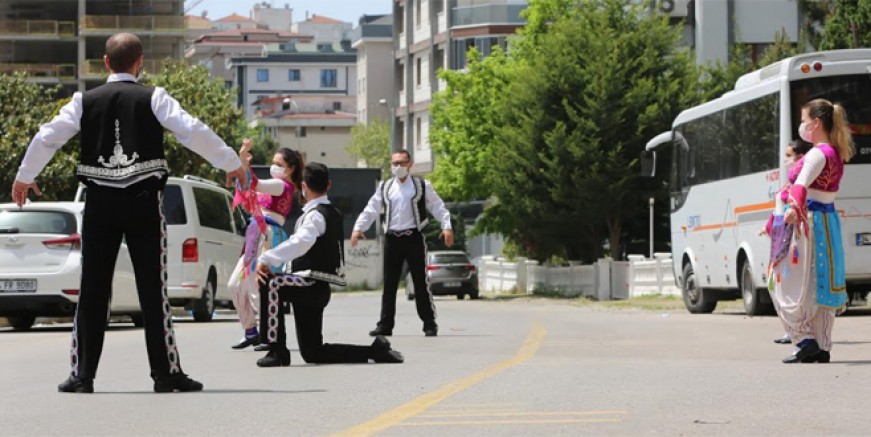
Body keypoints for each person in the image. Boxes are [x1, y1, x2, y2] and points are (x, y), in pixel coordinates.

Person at [10, 33, 247, 393]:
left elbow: (48, 136)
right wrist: (229, 163)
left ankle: (82, 375)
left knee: (92, 289)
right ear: (140, 62)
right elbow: (191, 131)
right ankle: (165, 374)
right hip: (143, 201)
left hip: (100, 203)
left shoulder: (83, 100)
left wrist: (25, 176)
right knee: (153, 289)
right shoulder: (155, 97)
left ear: (106, 63)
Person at [254, 162, 403, 367]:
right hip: (318, 288)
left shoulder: (315, 215)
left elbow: (301, 242)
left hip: (309, 284)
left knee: (270, 283)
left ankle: (275, 350)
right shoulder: (331, 212)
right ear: (329, 185)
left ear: (304, 187)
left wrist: (266, 258)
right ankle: (374, 351)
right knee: (313, 353)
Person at [770, 98, 853, 364]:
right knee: (821, 284)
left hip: (808, 223)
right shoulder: (835, 153)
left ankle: (804, 341)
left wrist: (793, 208)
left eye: (805, 120)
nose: (802, 126)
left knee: (783, 282)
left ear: (816, 123)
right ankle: (821, 344)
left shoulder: (818, 153)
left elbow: (800, 186)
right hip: (827, 223)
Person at [351, 150, 453, 337]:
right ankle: (385, 324)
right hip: (392, 239)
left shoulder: (422, 185)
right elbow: (371, 209)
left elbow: (437, 206)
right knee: (389, 284)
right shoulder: (385, 187)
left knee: (420, 283)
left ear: (410, 164)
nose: (398, 167)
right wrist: (358, 228)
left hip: (413, 238)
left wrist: (446, 226)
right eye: (395, 163)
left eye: (402, 163)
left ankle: (429, 323)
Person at [227, 139, 303, 350]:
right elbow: (246, 185)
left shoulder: (281, 185)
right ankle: (251, 330)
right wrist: (242, 162)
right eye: (274, 162)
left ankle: (270, 335)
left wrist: (243, 160)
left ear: (291, 169)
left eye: (279, 164)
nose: (275, 166)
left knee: (258, 287)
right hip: (256, 235)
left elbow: (254, 183)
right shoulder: (274, 186)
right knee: (236, 284)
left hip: (267, 237)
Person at [765, 139, 811, 345]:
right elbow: (777, 214)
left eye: (788, 156)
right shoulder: (789, 185)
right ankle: (791, 328)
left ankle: (798, 330)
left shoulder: (801, 186)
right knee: (777, 285)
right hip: (780, 238)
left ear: (800, 158)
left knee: (790, 284)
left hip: (792, 239)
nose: (785, 160)